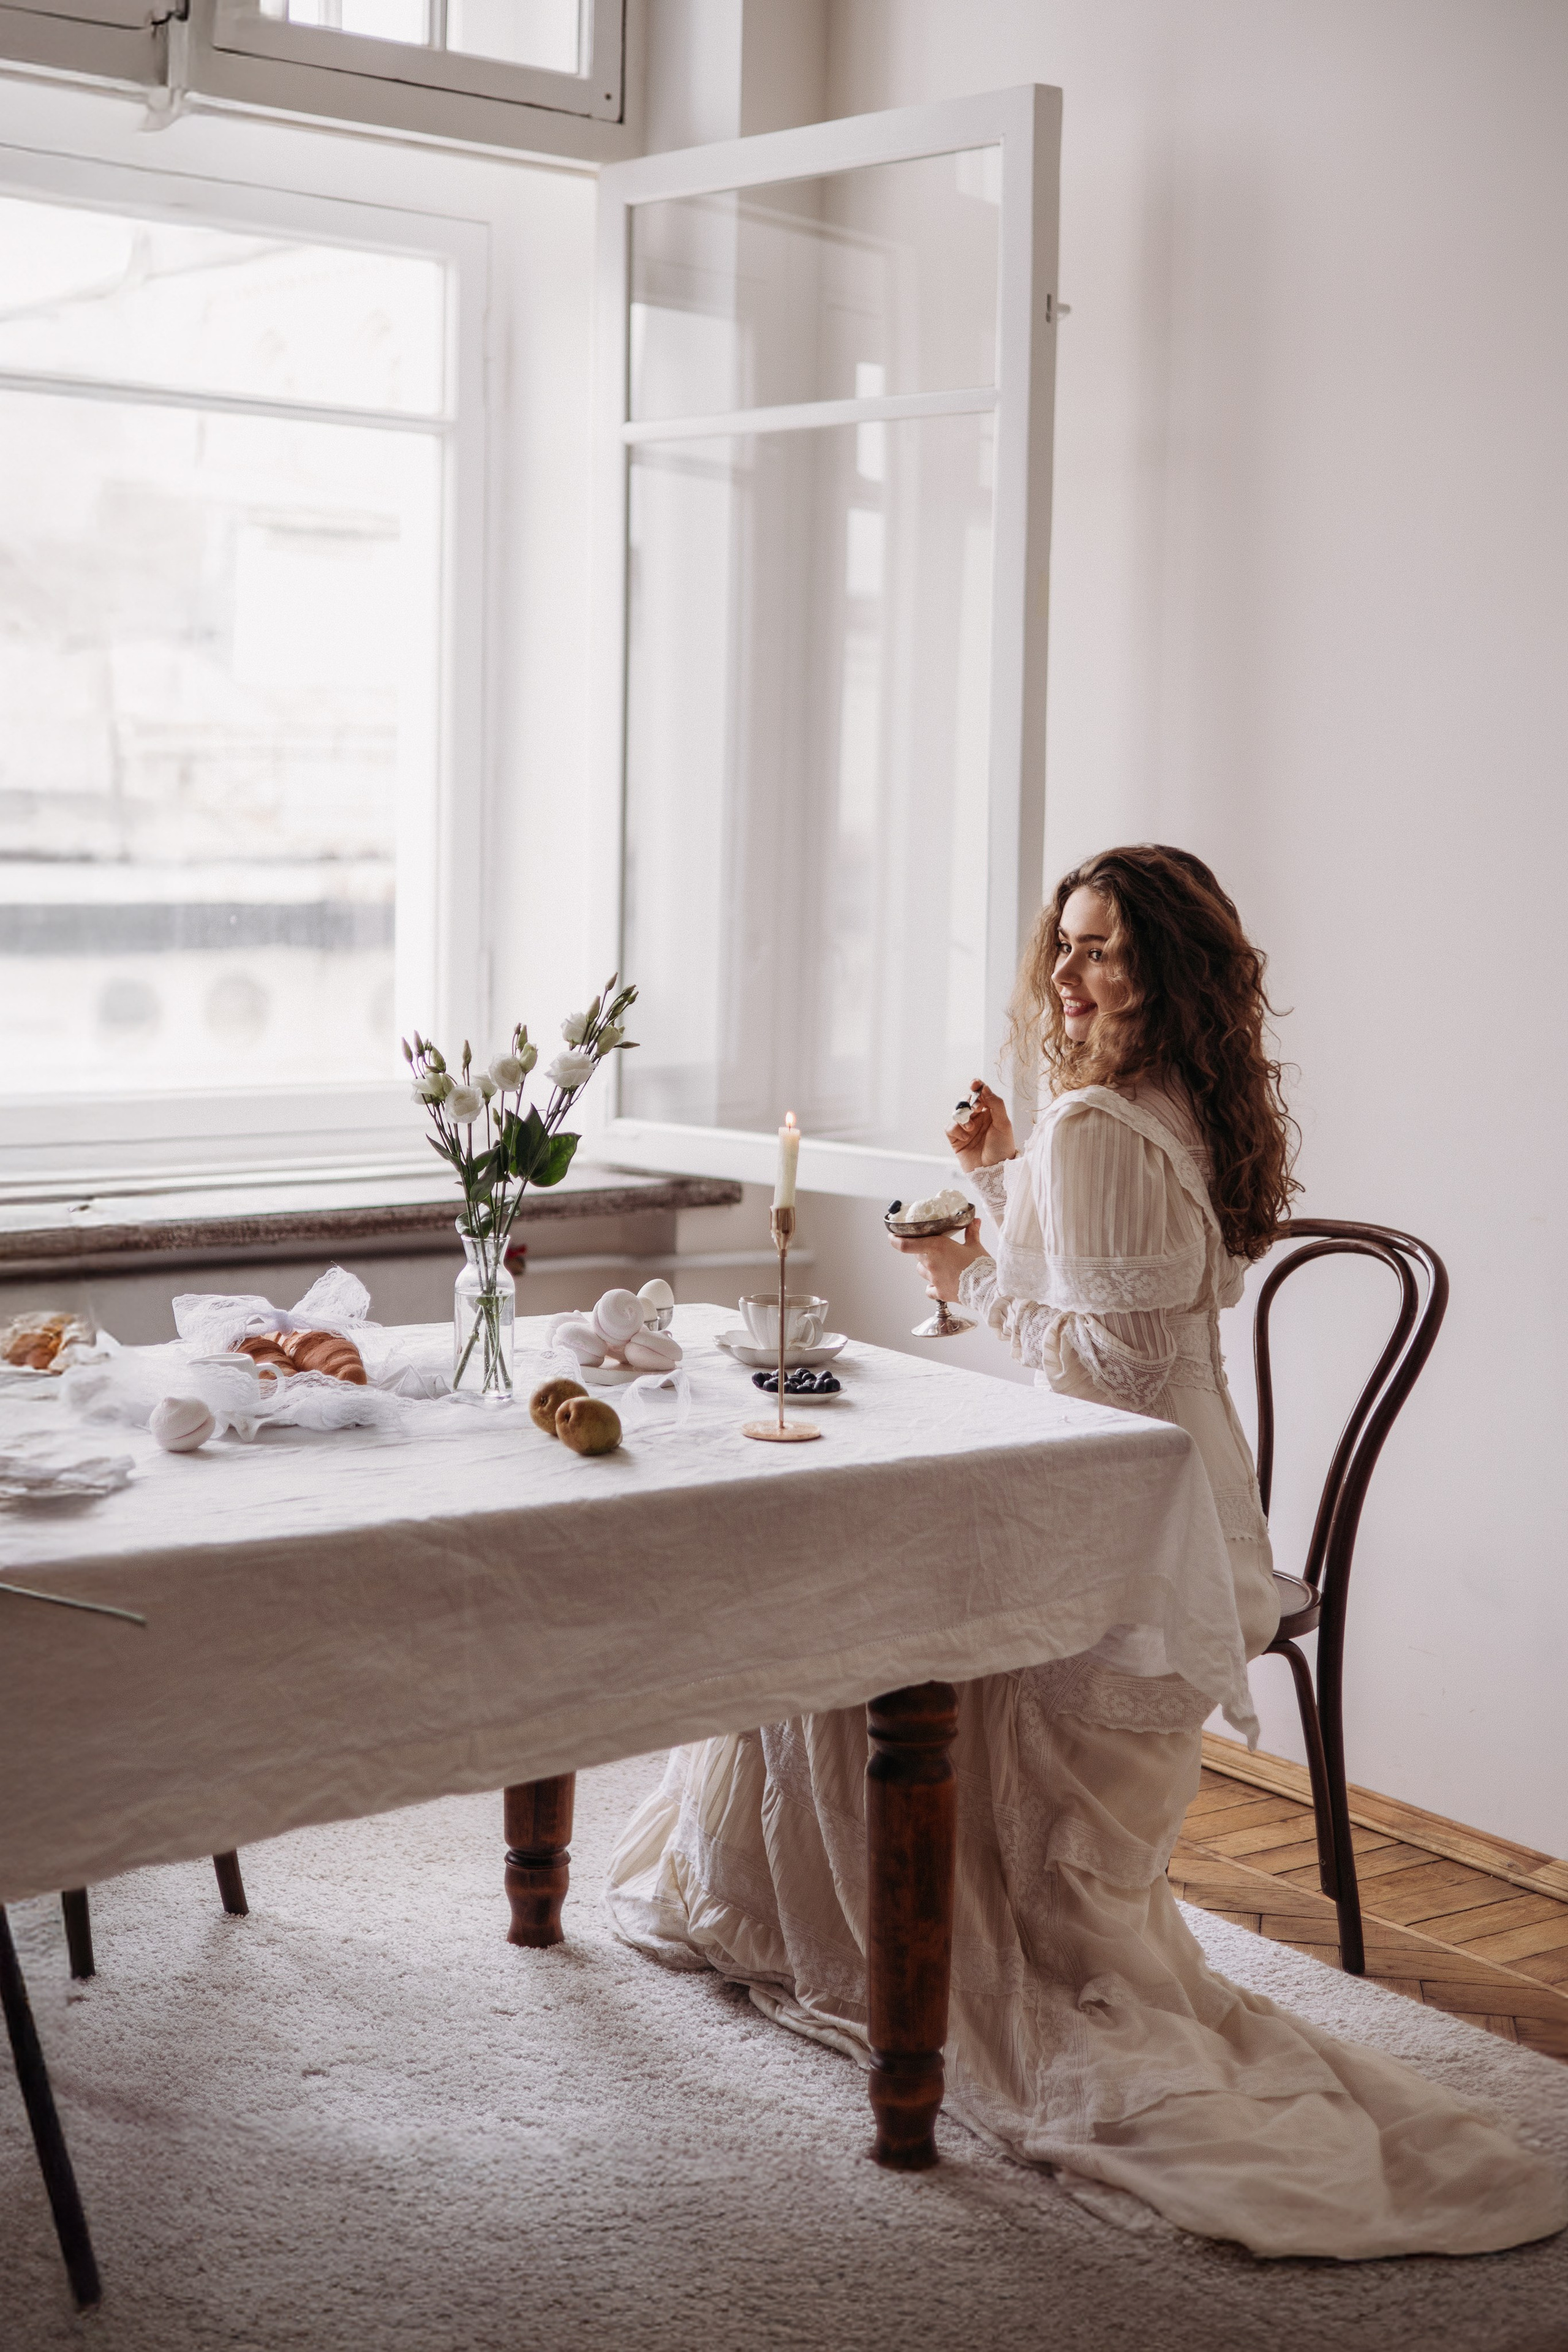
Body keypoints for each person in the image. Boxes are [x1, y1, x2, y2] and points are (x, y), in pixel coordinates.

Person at [606, 846, 1566, 2259]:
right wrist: (997, 1182)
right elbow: (1109, 1317)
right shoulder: (1164, 1107)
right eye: (1062, 945)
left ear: (1165, 971)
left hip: (1125, 1520)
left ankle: (843, 1922)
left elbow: (1095, 1364)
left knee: (835, 1612)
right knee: (862, 1586)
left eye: (1103, 949)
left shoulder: (1099, 1126)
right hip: (1177, 1495)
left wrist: (965, 1270)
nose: (1067, 975)